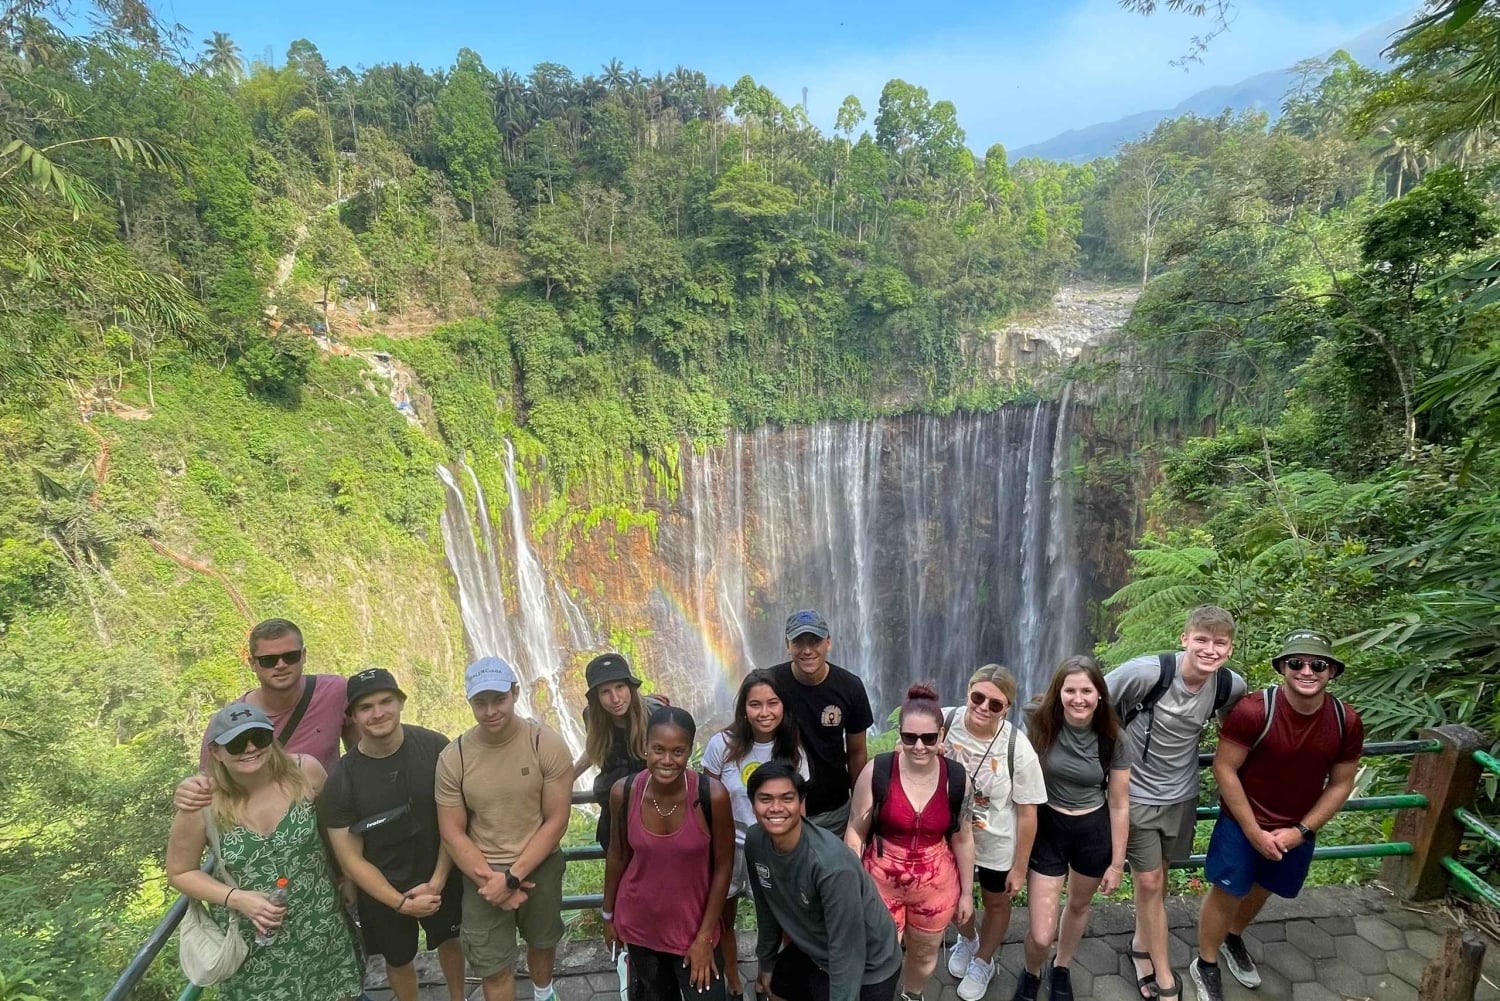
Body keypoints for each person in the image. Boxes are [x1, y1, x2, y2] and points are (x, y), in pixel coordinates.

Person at [1189, 630, 1363, 1001]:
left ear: (1331, 671)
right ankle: (1205, 962)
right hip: (1243, 821)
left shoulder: (1345, 721)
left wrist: (1301, 830)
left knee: (1263, 887)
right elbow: (1224, 769)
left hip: (1296, 827)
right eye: (1296, 663)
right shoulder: (1254, 710)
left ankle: (1232, 938)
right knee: (1227, 890)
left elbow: (1340, 783)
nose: (1307, 671)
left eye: (1318, 664)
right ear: (1283, 667)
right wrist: (1253, 830)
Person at [165, 703, 362, 1001]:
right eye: (235, 743)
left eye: (259, 737)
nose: (249, 748)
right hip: (255, 941)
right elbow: (180, 871)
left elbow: (333, 828)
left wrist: (348, 876)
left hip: (320, 922)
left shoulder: (304, 772)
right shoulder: (202, 803)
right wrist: (238, 899)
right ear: (216, 752)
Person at [1105, 606, 1248, 1001]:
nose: (1209, 649)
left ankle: (1139, 945)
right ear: (1184, 638)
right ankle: (1165, 977)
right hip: (1136, 794)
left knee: (1160, 878)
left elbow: (1234, 727)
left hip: (1181, 795)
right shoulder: (1146, 673)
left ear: (1229, 649)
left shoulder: (1228, 686)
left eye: (1219, 643)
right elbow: (1090, 699)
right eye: (1201, 639)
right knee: (1149, 881)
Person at [319, 668, 466, 1001]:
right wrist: (400, 903)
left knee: (450, 939)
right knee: (397, 957)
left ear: (400, 703)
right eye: (366, 707)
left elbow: (453, 822)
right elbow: (350, 859)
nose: (378, 713)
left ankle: (460, 997)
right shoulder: (342, 781)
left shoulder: (435, 748)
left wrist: (439, 881)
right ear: (353, 717)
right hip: (381, 885)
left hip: (438, 869)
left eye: (386, 701)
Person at [435, 657, 573, 1001]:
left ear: (514, 693)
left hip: (538, 864)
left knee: (542, 943)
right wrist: (493, 882)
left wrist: (512, 877)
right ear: (469, 703)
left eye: (499, 699)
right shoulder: (455, 757)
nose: (491, 710)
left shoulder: (547, 744)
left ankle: (544, 994)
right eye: (480, 703)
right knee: (492, 966)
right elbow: (452, 831)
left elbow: (556, 821)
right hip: (481, 872)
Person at [845, 684, 975, 1001]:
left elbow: (963, 838)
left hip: (937, 885)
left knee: (924, 953)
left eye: (928, 738)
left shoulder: (957, 779)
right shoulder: (878, 771)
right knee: (880, 954)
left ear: (940, 735)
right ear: (899, 735)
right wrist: (853, 882)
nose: (919, 746)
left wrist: (967, 895)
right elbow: (855, 831)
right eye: (909, 738)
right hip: (880, 881)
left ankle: (912, 994)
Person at [1016, 656, 1132, 1001]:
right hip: (1048, 827)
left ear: (1100, 695)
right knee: (1040, 933)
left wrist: (1116, 863)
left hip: (1092, 832)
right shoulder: (1039, 725)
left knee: (1079, 905)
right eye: (1070, 690)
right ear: (1058, 692)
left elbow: (1120, 802)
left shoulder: (1113, 738)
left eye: (1086, 690)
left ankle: (1061, 966)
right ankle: (1032, 969)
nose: (1078, 698)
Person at [602, 706, 736, 1001]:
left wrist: (703, 938)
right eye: (658, 749)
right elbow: (617, 855)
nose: (667, 760)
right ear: (645, 748)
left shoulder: (711, 796)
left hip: (694, 929)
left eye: (677, 751)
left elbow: (724, 867)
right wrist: (608, 915)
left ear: (689, 751)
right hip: (640, 928)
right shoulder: (623, 792)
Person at [745, 763, 902, 1001]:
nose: (776, 808)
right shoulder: (755, 841)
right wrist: (765, 963)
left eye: (787, 798)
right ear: (752, 803)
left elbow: (847, 950)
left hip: (870, 962)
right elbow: (766, 906)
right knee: (776, 988)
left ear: (801, 802)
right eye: (765, 799)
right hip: (813, 946)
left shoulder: (830, 866)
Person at [700, 669, 810, 997]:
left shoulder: (792, 749)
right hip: (729, 846)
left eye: (772, 703)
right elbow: (706, 799)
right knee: (725, 917)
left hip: (776, 848)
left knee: (782, 919)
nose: (765, 712)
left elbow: (800, 809)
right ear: (744, 708)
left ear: (783, 706)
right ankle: (733, 979)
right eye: (755, 704)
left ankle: (775, 979)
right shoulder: (722, 745)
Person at [941, 665, 1048, 1001]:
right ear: (968, 690)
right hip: (948, 835)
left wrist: (1020, 867)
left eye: (996, 704)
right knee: (949, 897)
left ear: (1007, 708)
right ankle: (968, 938)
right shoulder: (942, 723)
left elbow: (1028, 813)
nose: (984, 707)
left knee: (996, 903)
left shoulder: (1018, 747)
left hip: (996, 841)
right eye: (978, 697)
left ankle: (984, 960)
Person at [180, 618, 355, 812]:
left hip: (326, 817)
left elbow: (361, 753)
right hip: (260, 829)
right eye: (268, 660)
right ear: (253, 663)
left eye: (290, 656)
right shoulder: (226, 723)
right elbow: (209, 786)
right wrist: (189, 791)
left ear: (304, 655)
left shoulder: (336, 692)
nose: (280, 665)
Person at [769, 609, 874, 836]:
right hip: (781, 808)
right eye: (798, 642)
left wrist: (860, 809)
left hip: (834, 809)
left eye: (815, 641)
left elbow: (857, 752)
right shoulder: (771, 684)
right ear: (788, 645)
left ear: (828, 643)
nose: (807, 650)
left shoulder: (850, 687)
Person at [575, 652, 662, 850]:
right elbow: (595, 748)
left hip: (653, 815)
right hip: (614, 819)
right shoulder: (593, 718)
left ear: (630, 687)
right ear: (596, 697)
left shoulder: (655, 715)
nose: (615, 698)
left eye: (620, 687)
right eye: (605, 691)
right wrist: (564, 780)